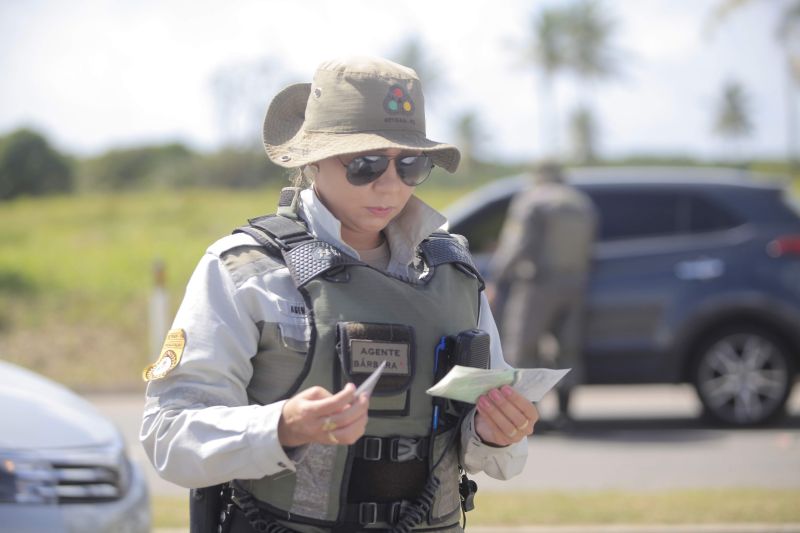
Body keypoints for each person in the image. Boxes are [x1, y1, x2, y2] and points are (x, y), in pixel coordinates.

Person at [140, 56, 538, 533]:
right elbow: (169, 434)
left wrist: (495, 434)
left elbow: (488, 452)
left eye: (410, 164)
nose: (389, 184)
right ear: (312, 159)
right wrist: (281, 427)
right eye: (365, 164)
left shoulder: (454, 273)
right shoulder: (246, 270)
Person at [487, 162, 597, 424]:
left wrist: (497, 278)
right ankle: (565, 413)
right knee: (567, 349)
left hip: (537, 284)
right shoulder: (581, 203)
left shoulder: (532, 200)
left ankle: (529, 413)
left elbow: (517, 245)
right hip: (575, 285)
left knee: (523, 348)